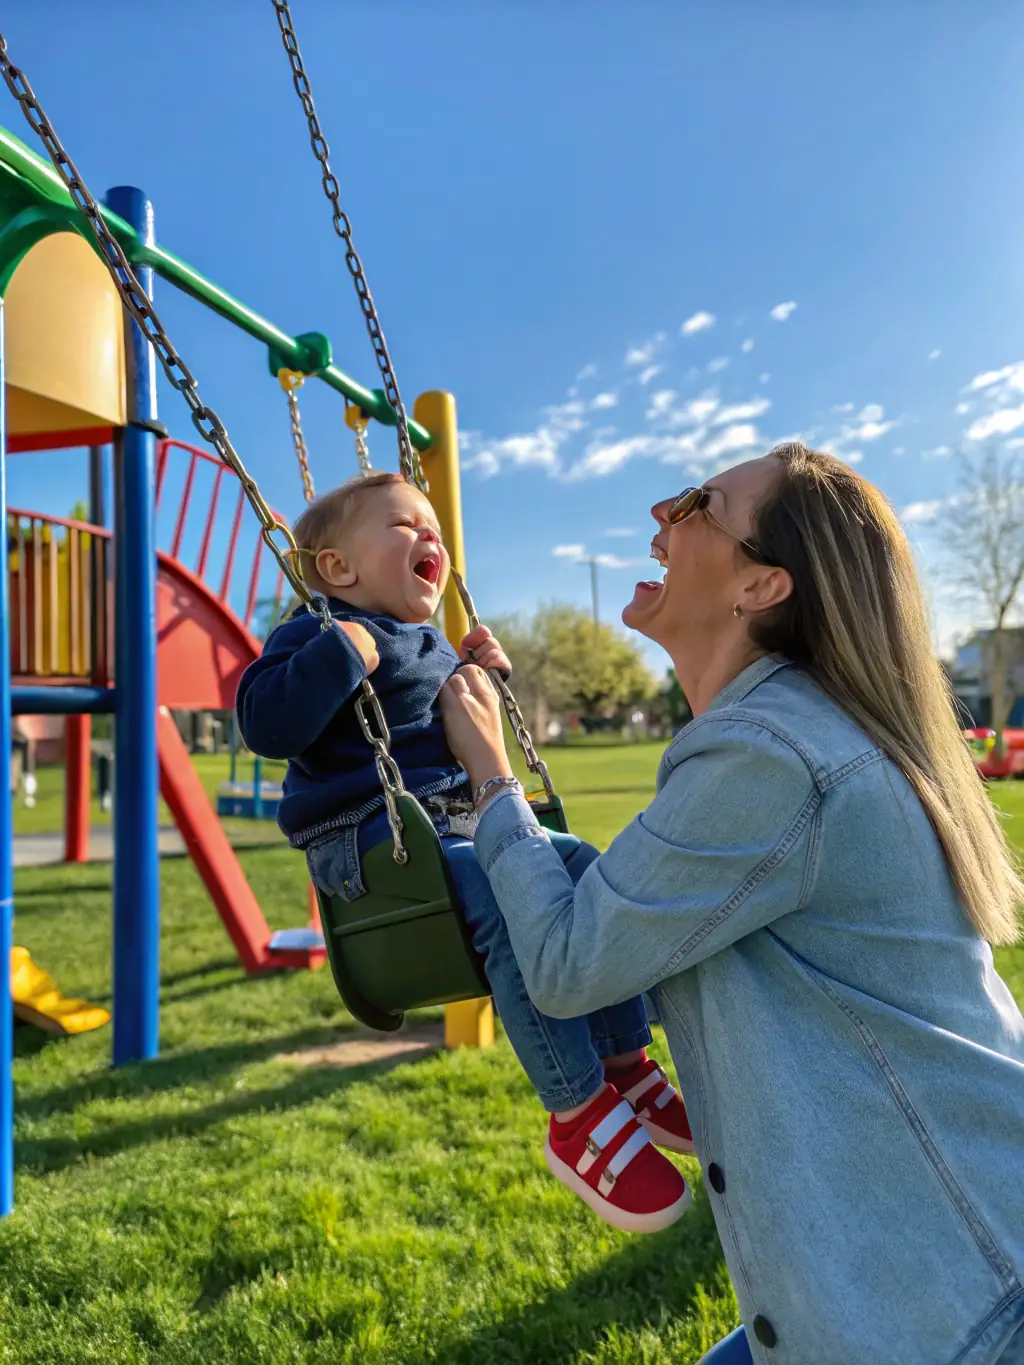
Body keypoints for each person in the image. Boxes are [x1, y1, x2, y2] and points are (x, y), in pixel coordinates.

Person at [438, 443, 1024, 1365]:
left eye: (699, 503)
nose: (661, 518)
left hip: (956, 1297)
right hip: (925, 1273)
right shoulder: (792, 732)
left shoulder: (770, 750)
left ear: (763, 587)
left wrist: (491, 782)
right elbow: (630, 916)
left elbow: (564, 962)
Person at [236, 472, 695, 1234]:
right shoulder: (316, 630)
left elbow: (451, 719)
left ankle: (623, 1061)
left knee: (587, 870)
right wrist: (337, 657)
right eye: (404, 525)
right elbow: (264, 724)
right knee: (510, 896)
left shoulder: (428, 639)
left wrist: (486, 675)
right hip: (370, 844)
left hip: (457, 826)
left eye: (435, 529)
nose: (431, 537)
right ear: (338, 569)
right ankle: (576, 1110)